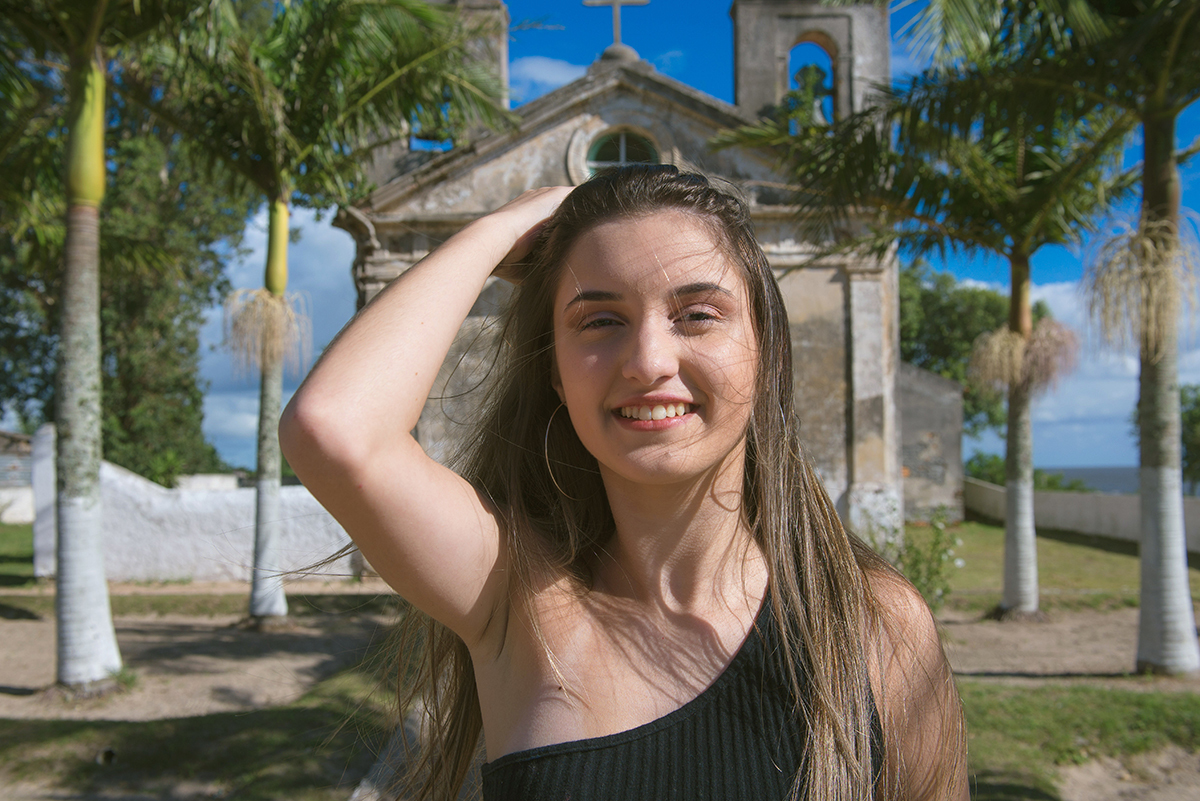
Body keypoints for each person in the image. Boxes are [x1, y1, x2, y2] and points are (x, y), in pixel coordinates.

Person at [280, 165, 967, 801]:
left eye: (697, 314)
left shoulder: (870, 623)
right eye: (600, 320)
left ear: (768, 353)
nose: (647, 360)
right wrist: (498, 230)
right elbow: (332, 429)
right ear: (556, 373)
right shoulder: (514, 601)